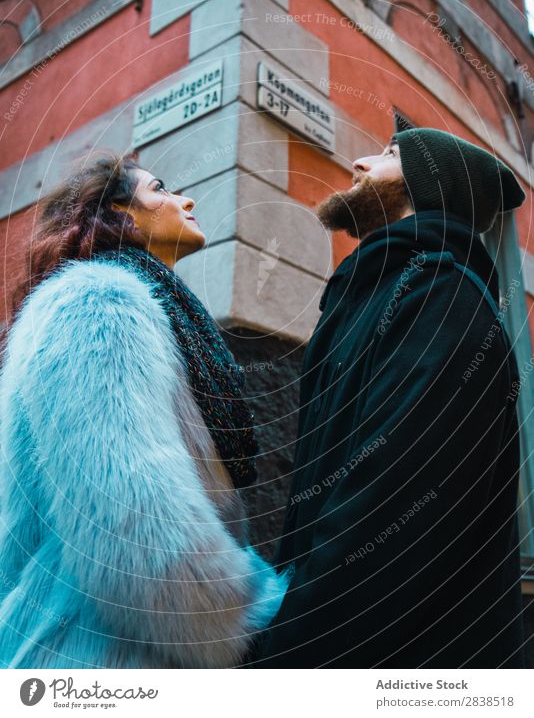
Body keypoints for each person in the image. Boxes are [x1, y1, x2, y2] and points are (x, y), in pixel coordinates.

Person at [0, 153, 288, 669]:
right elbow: (132, 523)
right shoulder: (98, 304)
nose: (187, 199)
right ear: (118, 214)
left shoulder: (154, 312)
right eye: (161, 189)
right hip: (100, 654)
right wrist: (251, 616)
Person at [255, 127, 527, 668]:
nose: (358, 161)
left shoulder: (441, 295)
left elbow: (389, 496)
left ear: (430, 185)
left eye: (388, 155)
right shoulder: (378, 289)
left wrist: (288, 647)